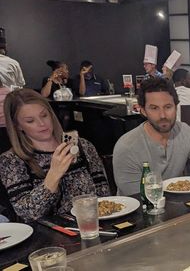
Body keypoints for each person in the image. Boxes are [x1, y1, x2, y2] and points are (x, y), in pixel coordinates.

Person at [0, 88, 110, 222]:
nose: (41, 124)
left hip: (92, 226)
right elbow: (28, 214)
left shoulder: (83, 146)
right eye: (30, 121)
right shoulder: (11, 160)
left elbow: (104, 194)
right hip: (48, 238)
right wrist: (53, 175)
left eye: (44, 115)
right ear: (18, 126)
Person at [113, 77, 190, 196]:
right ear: (143, 111)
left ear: (176, 107)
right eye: (154, 108)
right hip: (140, 211)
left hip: (176, 206)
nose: (162, 115)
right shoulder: (127, 146)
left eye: (168, 107)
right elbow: (135, 196)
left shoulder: (184, 131)